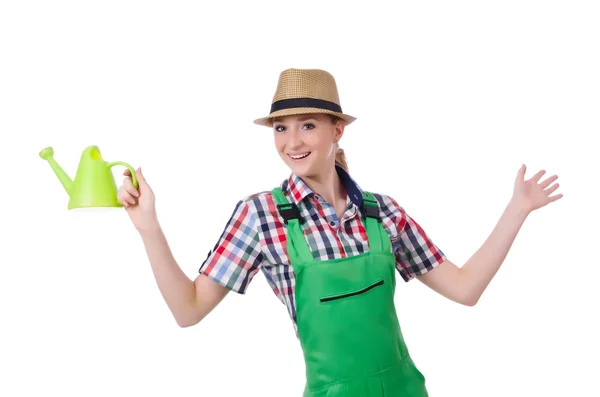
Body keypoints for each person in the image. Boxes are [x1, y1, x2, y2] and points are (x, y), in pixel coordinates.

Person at [117, 68, 563, 396]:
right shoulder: (262, 215)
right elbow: (188, 310)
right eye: (281, 128)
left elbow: (465, 289)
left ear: (338, 130)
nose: (292, 142)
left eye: (307, 125)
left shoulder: (382, 212)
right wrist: (149, 228)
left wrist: (517, 210)